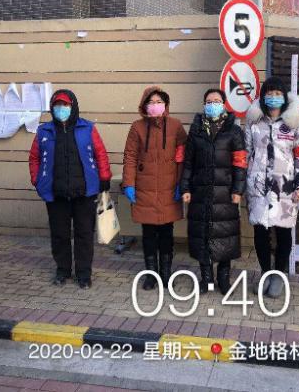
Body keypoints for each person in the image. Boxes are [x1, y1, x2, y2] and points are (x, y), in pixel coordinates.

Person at [29, 89, 112, 289]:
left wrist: (104, 177)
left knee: (84, 234)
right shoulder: (44, 131)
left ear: (73, 106)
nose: (61, 108)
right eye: (57, 105)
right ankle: (63, 270)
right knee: (60, 235)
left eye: (65, 105)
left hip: (84, 193)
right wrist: (37, 180)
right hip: (56, 194)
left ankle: (83, 274)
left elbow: (100, 154)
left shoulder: (88, 128)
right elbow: (34, 158)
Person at [245, 77, 299, 298]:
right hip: (258, 187)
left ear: (284, 97)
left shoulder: (294, 123)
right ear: (263, 97)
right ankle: (265, 272)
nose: (273, 97)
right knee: (260, 232)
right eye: (269, 93)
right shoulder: (254, 122)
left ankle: (278, 275)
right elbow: (246, 153)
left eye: (277, 93)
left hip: (286, 187)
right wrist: (245, 181)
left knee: (283, 232)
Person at [181, 89, 247, 295]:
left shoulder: (234, 131)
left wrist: (238, 189)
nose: (212, 105)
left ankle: (224, 280)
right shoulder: (196, 130)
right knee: (202, 236)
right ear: (204, 105)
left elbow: (240, 163)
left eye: (216, 101)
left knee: (225, 236)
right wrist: (185, 187)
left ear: (224, 104)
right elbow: (188, 163)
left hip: (225, 193)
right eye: (209, 102)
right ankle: (207, 279)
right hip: (200, 192)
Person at [122, 86, 187, 290]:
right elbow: (130, 157)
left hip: (169, 188)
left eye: (159, 102)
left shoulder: (176, 126)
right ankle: (151, 275)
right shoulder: (137, 127)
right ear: (144, 105)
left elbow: (183, 156)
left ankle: (166, 273)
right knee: (148, 233)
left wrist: (181, 182)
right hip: (145, 188)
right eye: (151, 102)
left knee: (167, 233)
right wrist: (129, 184)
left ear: (166, 105)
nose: (155, 105)